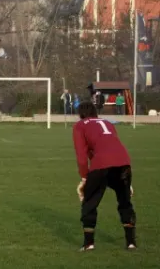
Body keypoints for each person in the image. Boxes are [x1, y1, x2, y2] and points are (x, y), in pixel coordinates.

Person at [73, 101, 136, 251]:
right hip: (124, 163)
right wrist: (127, 183)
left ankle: (89, 244)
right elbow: (110, 145)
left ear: (80, 114)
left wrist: (84, 178)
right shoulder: (107, 123)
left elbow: (82, 156)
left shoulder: (80, 125)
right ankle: (131, 243)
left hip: (101, 164)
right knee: (125, 201)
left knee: (89, 202)